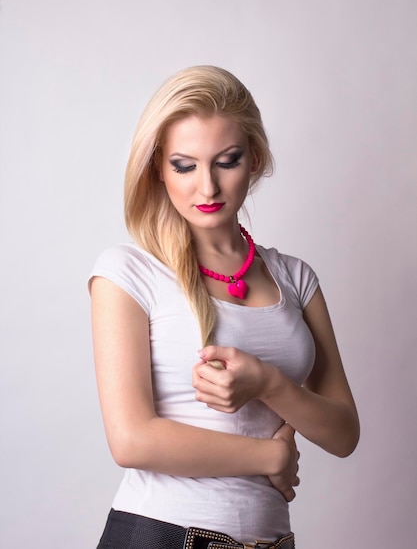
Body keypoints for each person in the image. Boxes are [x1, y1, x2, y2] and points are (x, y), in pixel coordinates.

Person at [88, 65, 359, 549]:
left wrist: (269, 383)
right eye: (184, 165)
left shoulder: (294, 277)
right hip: (160, 534)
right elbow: (131, 440)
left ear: (254, 158)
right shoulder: (128, 273)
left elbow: (343, 433)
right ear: (157, 167)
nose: (207, 188)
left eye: (226, 161)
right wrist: (268, 458)